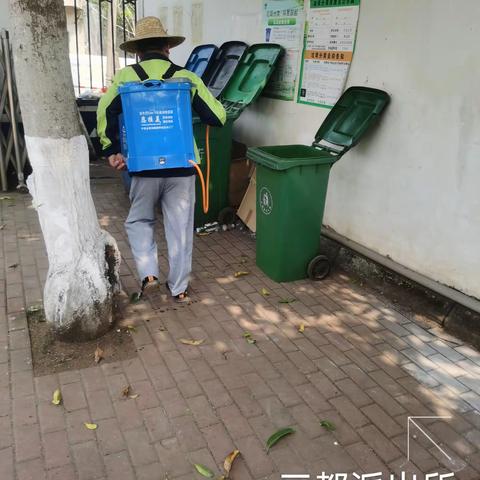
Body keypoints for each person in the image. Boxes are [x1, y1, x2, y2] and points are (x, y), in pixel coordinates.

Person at [97, 17, 226, 302]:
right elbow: (217, 117)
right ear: (168, 47)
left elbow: (104, 113)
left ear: (137, 51)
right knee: (180, 230)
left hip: (143, 168)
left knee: (139, 220)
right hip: (183, 167)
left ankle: (149, 274)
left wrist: (111, 150)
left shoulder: (125, 77)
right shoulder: (187, 77)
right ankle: (178, 289)